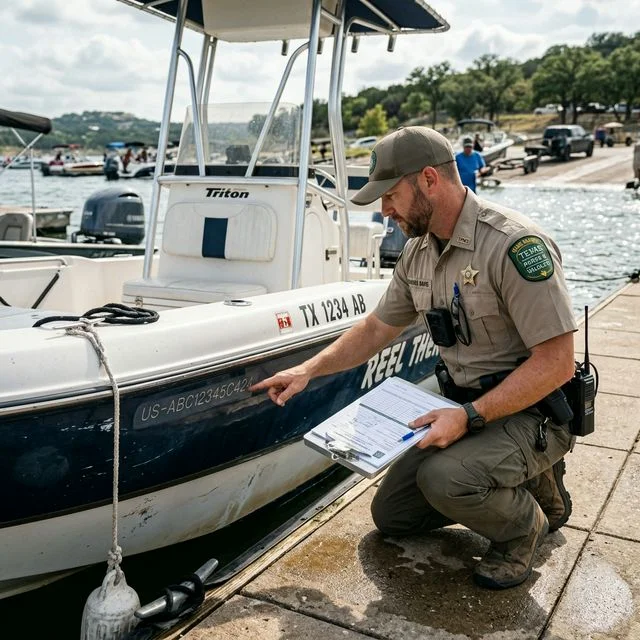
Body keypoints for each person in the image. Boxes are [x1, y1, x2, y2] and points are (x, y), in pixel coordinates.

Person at [249, 126, 577, 590]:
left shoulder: (513, 245)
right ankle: (531, 482)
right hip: (463, 411)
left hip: (532, 413)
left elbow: (557, 363)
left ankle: (524, 529)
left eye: (390, 195)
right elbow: (376, 330)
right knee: (393, 516)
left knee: (447, 480)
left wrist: (468, 417)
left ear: (428, 180)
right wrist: (306, 370)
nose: (384, 210)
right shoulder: (417, 253)